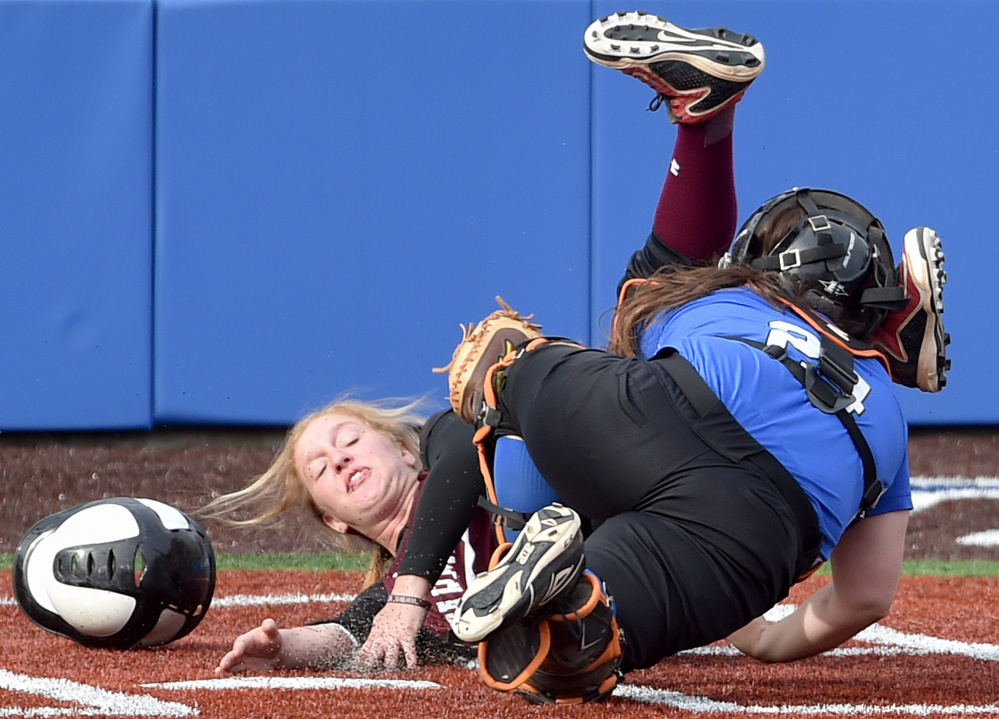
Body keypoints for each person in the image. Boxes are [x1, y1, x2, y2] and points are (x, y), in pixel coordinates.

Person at [436, 10, 945, 705]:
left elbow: (646, 294)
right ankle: (563, 587)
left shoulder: (726, 299)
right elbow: (865, 596)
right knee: (567, 648)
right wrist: (763, 637)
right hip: (751, 529)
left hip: (655, 415)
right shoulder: (886, 423)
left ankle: (529, 529)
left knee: (494, 358)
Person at [203, 398, 496, 674]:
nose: (339, 458)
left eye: (350, 440)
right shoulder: (388, 599)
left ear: (404, 451)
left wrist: (407, 596)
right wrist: (282, 648)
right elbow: (345, 632)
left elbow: (465, 444)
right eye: (319, 470)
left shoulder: (455, 446)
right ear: (335, 521)